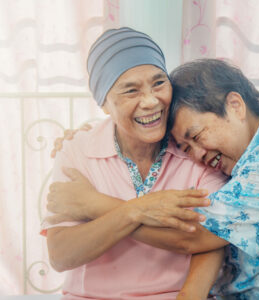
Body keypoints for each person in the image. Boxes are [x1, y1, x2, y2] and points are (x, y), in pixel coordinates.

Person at [49, 58, 259, 299]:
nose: (199, 155)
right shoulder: (258, 140)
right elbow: (60, 253)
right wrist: (94, 134)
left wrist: (93, 204)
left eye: (197, 135)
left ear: (235, 106)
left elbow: (196, 236)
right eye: (186, 147)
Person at [42, 28, 227, 300]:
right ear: (104, 104)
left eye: (159, 83)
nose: (151, 101)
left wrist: (95, 205)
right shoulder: (76, 151)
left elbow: (208, 239)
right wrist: (136, 210)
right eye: (131, 91)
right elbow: (60, 255)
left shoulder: (195, 148)